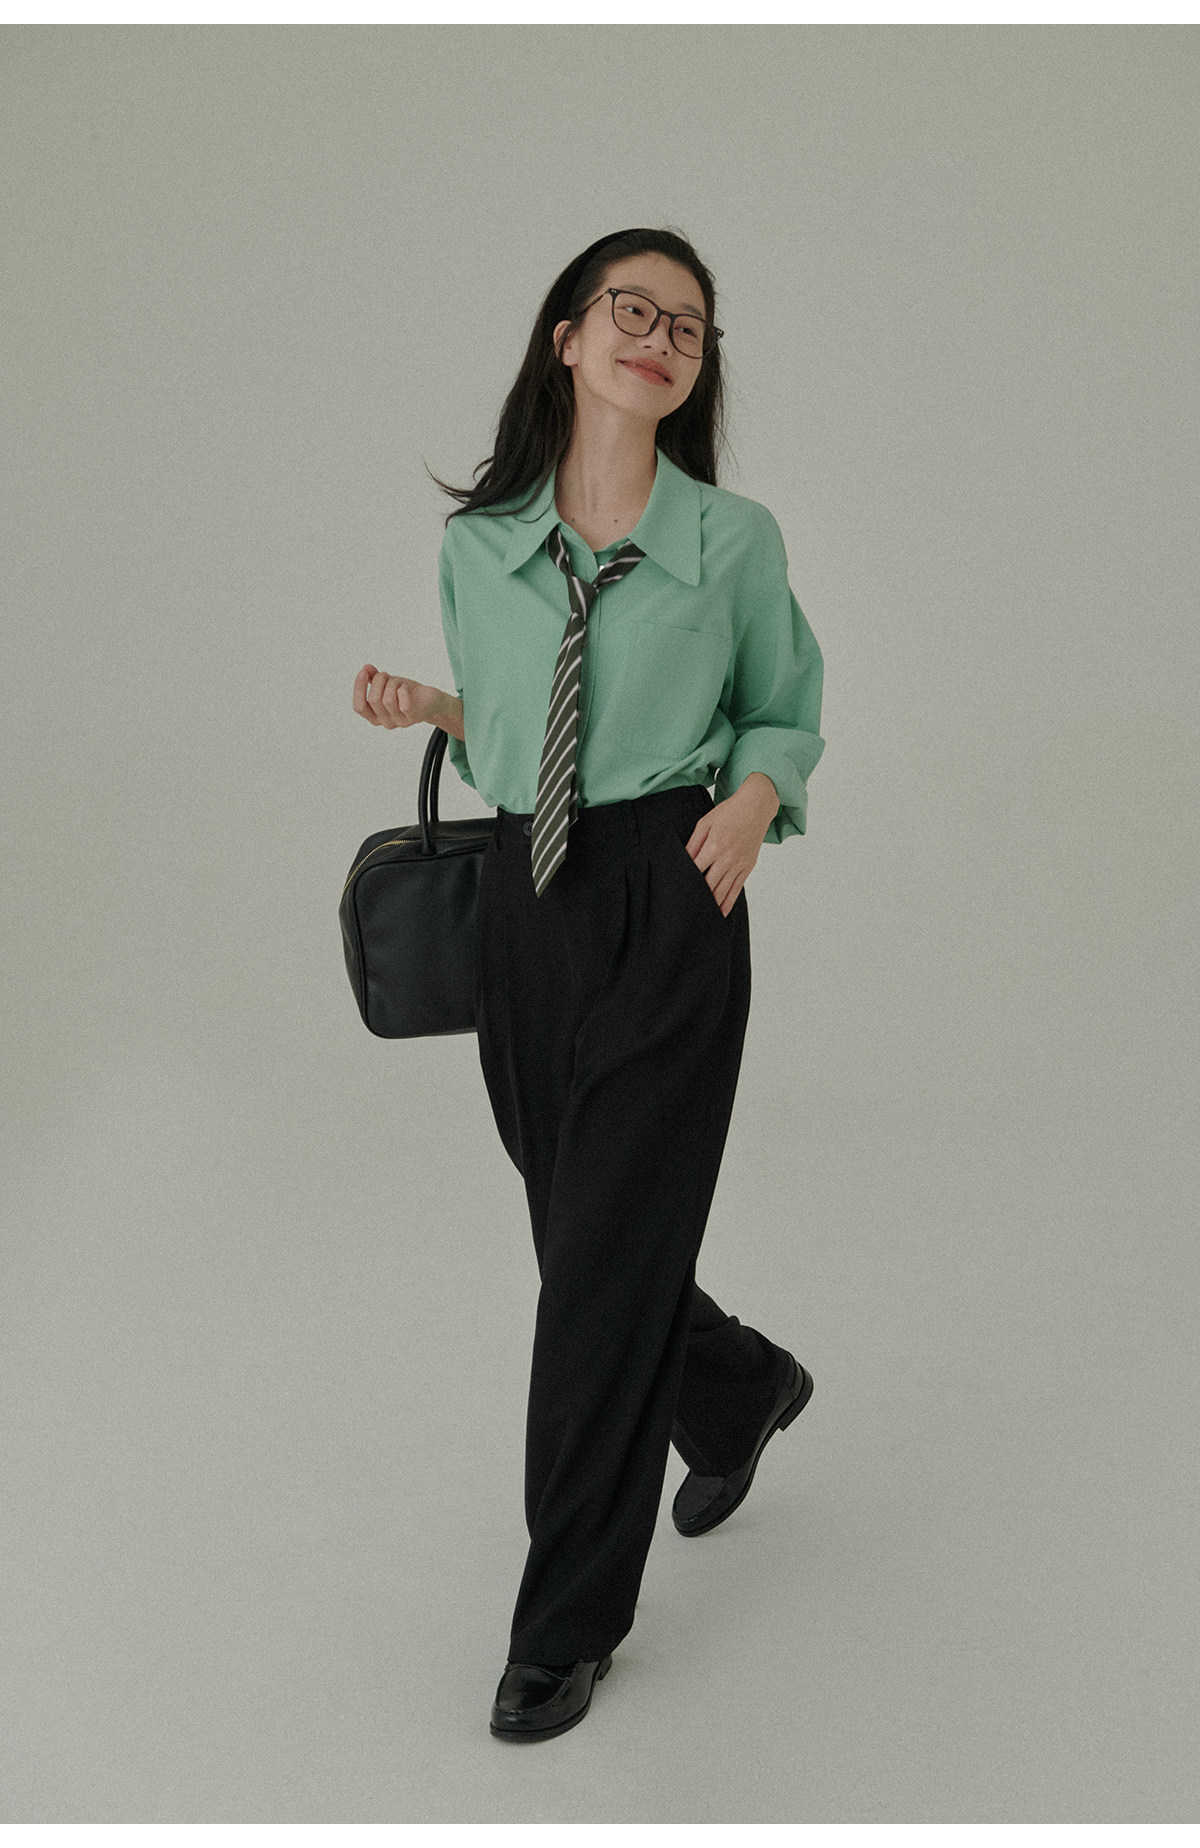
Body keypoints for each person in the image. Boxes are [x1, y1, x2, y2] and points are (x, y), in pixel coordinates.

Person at [352, 227, 825, 1743]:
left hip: (671, 893)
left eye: (688, 327)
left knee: (595, 1277)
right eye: (634, 309)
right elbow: (517, 731)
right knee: (586, 1238)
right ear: (565, 336)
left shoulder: (731, 541)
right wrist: (436, 706)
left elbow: (782, 706)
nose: (660, 339)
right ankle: (735, 1386)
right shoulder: (477, 549)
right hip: (524, 900)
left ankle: (563, 1624)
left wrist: (755, 801)